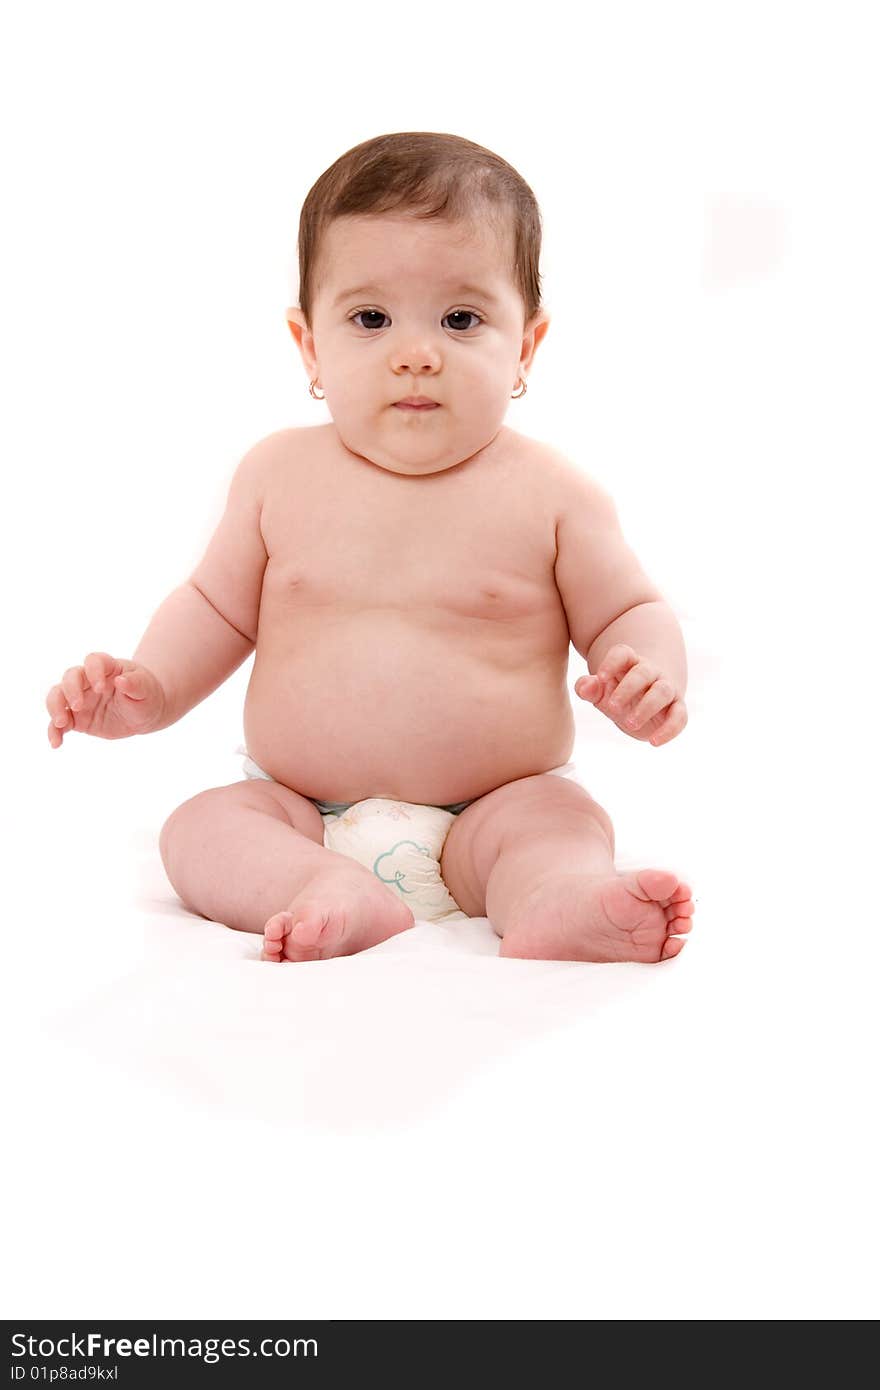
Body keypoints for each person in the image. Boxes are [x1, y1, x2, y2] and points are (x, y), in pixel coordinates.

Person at [45, 131, 695, 964]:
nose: (415, 354)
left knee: (561, 825)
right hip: (300, 812)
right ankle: (326, 891)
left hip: (491, 810)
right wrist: (151, 687)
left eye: (461, 319)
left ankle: (555, 899)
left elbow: (631, 608)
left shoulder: (553, 496)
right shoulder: (277, 474)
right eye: (370, 318)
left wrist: (649, 670)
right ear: (310, 345)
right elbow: (213, 606)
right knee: (199, 830)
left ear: (525, 346)